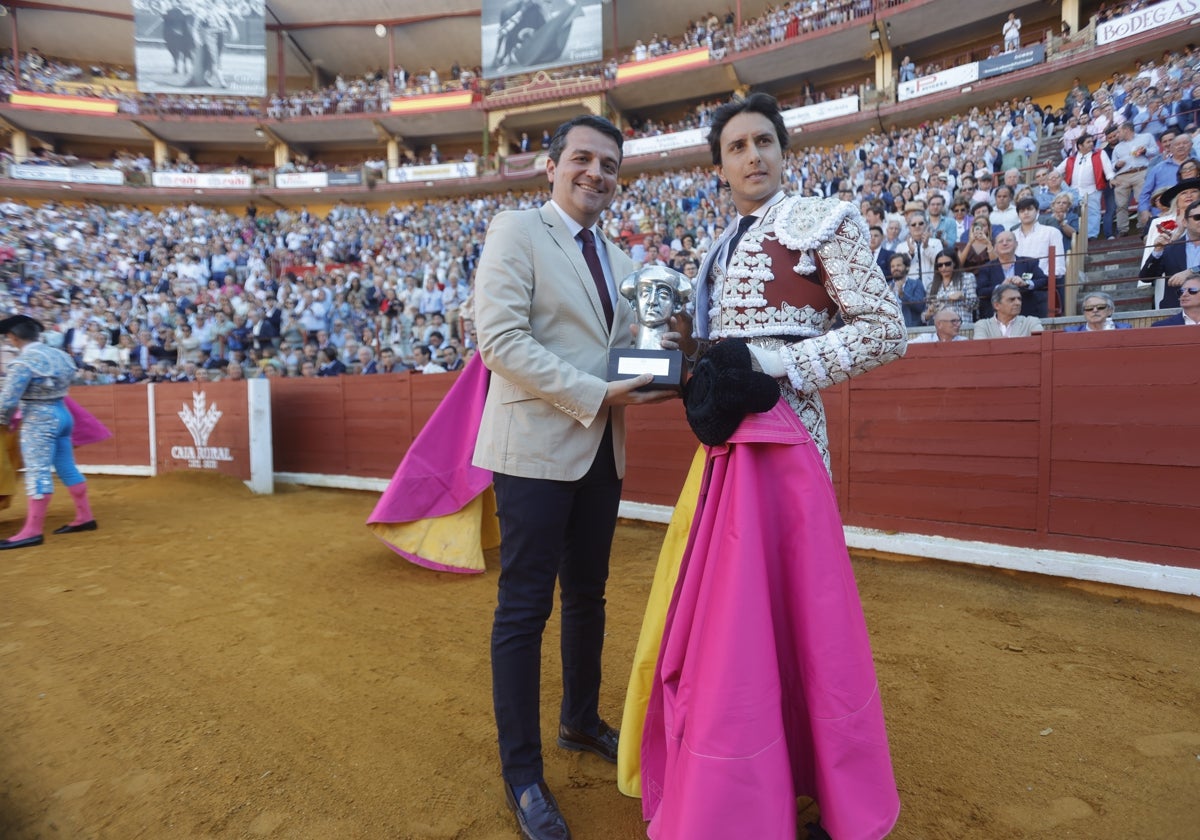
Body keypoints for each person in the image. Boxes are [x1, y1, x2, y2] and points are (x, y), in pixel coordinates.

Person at [627, 92, 905, 840]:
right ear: (719, 168)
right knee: (738, 621)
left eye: (764, 142)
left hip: (789, 442)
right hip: (724, 450)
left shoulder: (825, 221)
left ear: (784, 151)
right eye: (738, 147)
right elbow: (712, 351)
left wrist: (779, 363)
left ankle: (816, 789)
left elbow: (885, 330)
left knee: (795, 617)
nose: (753, 156)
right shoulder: (716, 250)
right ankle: (759, 780)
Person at [470, 114, 673, 840]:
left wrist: (661, 373)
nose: (596, 173)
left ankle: (579, 722)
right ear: (551, 166)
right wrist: (600, 394)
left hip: (600, 452)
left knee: (587, 594)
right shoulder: (516, 231)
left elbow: (625, 358)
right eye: (582, 159)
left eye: (609, 165)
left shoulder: (623, 264)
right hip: (532, 447)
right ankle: (521, 771)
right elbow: (499, 340)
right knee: (525, 607)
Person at [0, 315, 97, 549]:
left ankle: (32, 531)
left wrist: (3, 421)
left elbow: (7, 401)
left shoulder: (23, 363)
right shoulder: (62, 356)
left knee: (37, 471)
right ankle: (85, 517)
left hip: (38, 419)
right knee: (66, 466)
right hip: (63, 414)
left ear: (13, 337)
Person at [1139, 196, 1200, 312]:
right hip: (1176, 311)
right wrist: (1157, 251)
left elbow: (1190, 272)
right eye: (1198, 217)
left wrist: (1192, 271)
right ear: (1185, 222)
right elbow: (1146, 277)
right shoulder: (1171, 248)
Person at [975, 231, 1048, 320]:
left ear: (1016, 244)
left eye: (1009, 240)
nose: (1005, 243)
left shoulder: (1029, 263)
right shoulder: (987, 268)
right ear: (995, 247)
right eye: (1001, 241)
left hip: (1026, 315)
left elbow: (1044, 280)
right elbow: (981, 291)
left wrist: (1026, 283)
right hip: (997, 317)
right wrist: (1000, 287)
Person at [1055, 134, 1115, 240]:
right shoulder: (1070, 159)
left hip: (1093, 189)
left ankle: (1091, 236)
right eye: (1088, 142)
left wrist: (1111, 178)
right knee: (1074, 214)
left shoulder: (1100, 154)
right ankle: (1076, 236)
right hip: (1073, 191)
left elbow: (1107, 168)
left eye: (1092, 141)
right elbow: (1057, 172)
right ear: (1080, 146)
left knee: (1093, 213)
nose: (1092, 143)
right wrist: (1051, 168)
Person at [973, 283, 1044, 338]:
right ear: (996, 305)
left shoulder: (1031, 322)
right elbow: (980, 348)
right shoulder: (982, 325)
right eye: (1012, 299)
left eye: (1019, 299)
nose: (1018, 303)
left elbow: (1041, 342)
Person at [925, 248, 977, 324]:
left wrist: (962, 297)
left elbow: (975, 304)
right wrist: (927, 315)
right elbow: (926, 315)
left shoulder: (967, 278)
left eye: (947, 264)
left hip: (962, 327)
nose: (943, 267)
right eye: (940, 265)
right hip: (940, 330)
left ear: (954, 263)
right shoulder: (931, 286)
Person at [1063, 292, 1132, 332]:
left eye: (1101, 307)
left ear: (1110, 311)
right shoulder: (1071, 332)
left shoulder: (1125, 329)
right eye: (1089, 308)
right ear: (1084, 313)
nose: (1095, 310)